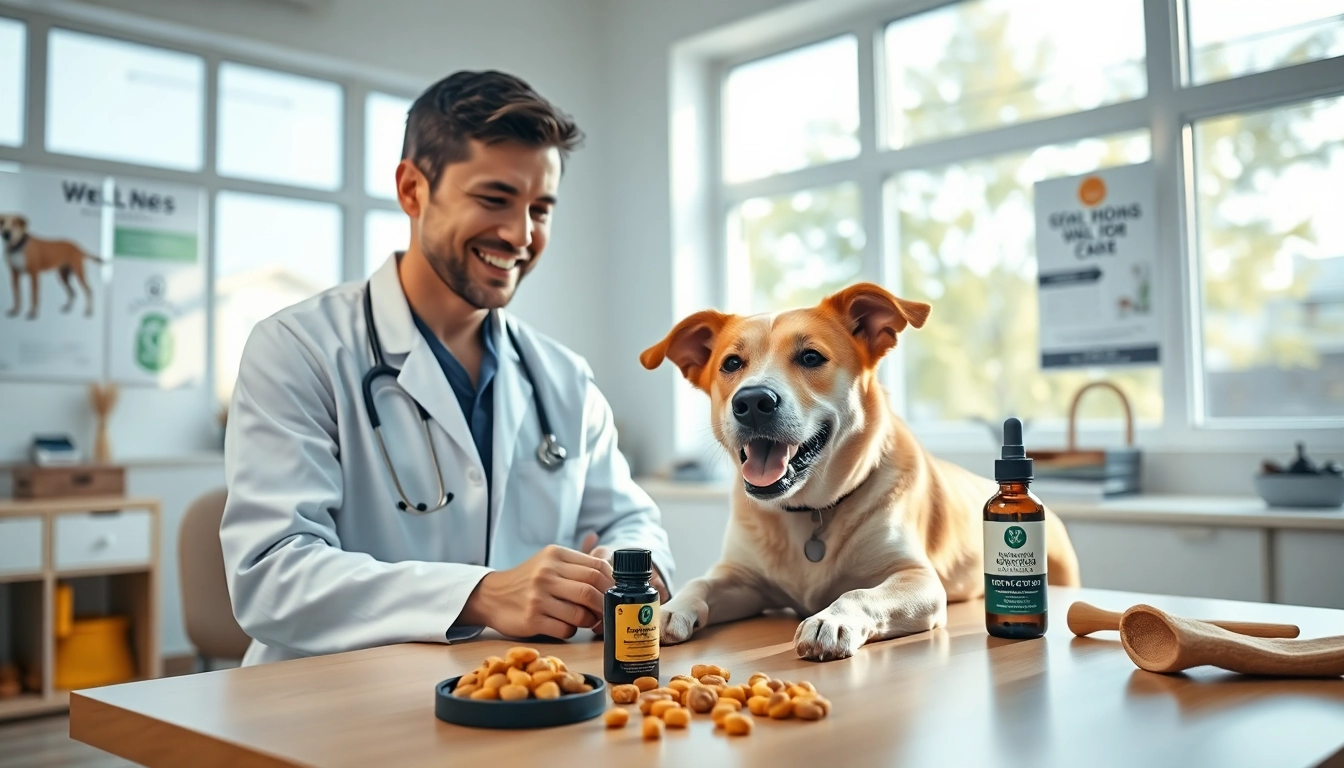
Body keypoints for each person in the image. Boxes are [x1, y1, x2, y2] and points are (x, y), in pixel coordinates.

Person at [220, 70, 673, 666]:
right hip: (334, 705)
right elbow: (272, 575)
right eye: (494, 199)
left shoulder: (562, 377)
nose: (520, 234)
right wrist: (482, 595)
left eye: (540, 208)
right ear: (413, 190)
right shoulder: (298, 349)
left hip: (520, 701)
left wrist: (627, 565)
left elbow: (630, 520)